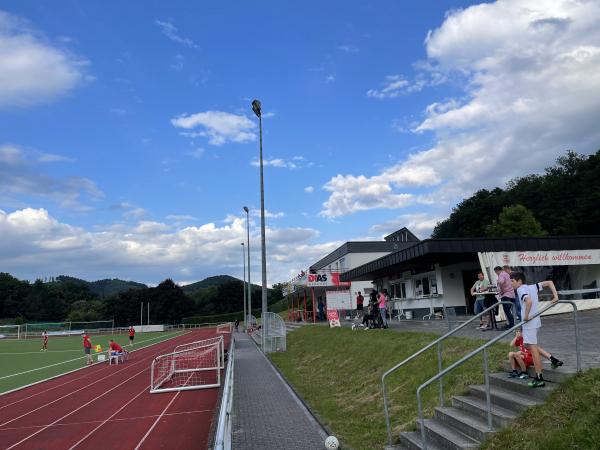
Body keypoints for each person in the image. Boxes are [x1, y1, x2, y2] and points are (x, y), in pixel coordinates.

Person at [510, 272, 564, 388]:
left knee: (533, 350)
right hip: (535, 322)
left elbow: (528, 301)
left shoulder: (520, 289)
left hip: (529, 324)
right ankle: (552, 359)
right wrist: (555, 296)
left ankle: (539, 378)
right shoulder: (533, 286)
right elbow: (549, 282)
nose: (511, 284)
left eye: (512, 281)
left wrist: (526, 315)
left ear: (519, 281)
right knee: (527, 345)